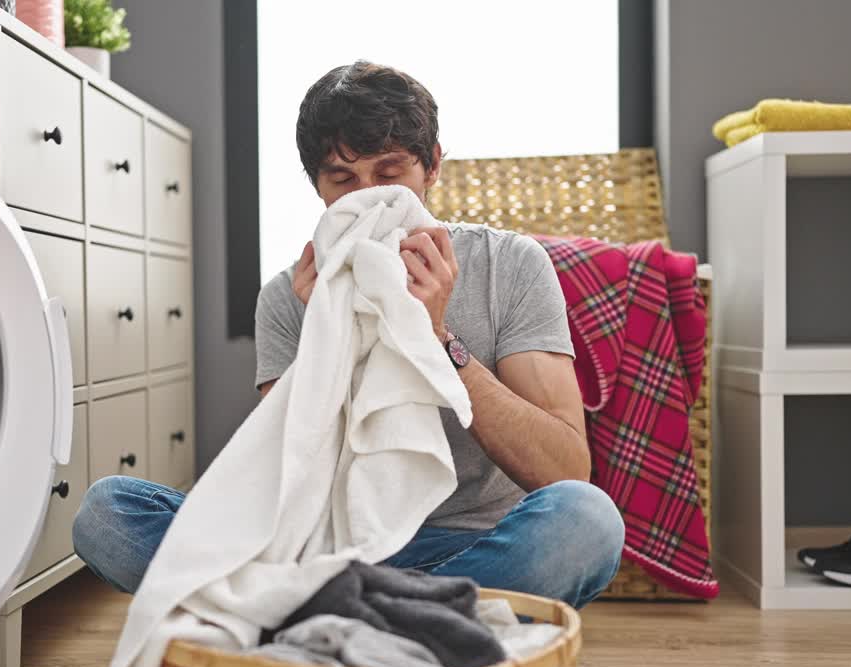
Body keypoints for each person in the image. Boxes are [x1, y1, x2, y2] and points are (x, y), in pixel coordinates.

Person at [72, 60, 624, 609]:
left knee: (587, 521)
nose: (369, 198)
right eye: (344, 180)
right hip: (325, 549)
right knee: (108, 514)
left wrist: (434, 336)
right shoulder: (288, 296)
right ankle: (411, 622)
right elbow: (288, 481)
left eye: (389, 175)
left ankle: (311, 621)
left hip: (470, 549)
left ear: (431, 167)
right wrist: (326, 338)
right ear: (317, 185)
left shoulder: (511, 265)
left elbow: (564, 469)